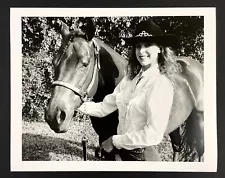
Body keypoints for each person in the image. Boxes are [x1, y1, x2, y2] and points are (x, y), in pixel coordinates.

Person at [78, 20, 182, 161]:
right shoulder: (130, 79)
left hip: (140, 157)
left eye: (147, 45)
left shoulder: (161, 84)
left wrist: (114, 141)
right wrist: (76, 104)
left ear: (160, 48)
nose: (141, 51)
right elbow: (104, 107)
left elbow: (152, 134)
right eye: (138, 46)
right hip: (121, 152)